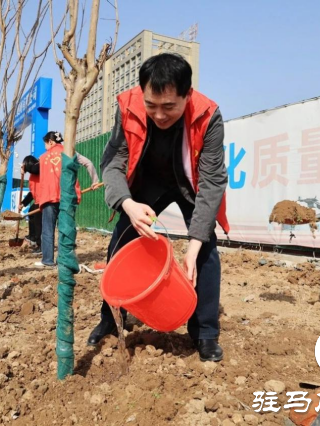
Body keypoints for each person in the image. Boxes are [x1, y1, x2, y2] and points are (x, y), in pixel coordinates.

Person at [88, 53, 229, 362]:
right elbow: (112, 164)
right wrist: (127, 204)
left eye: (169, 107)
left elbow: (212, 181)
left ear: (187, 95)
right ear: (142, 93)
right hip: (145, 184)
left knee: (205, 249)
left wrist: (193, 245)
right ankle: (111, 319)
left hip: (188, 183)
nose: (159, 115)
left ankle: (205, 332)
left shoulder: (208, 115)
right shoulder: (128, 107)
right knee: (122, 241)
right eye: (151, 105)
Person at [34, 131, 100, 267]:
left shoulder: (42, 158)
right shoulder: (70, 153)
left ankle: (47, 260)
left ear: (51, 142)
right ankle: (64, 258)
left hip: (49, 198)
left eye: (45, 144)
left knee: (47, 230)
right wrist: (95, 181)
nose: (45, 147)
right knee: (67, 227)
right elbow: (88, 163)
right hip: (67, 197)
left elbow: (35, 176)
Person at [20, 155, 42, 253]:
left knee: (38, 223)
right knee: (31, 212)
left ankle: (40, 244)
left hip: (45, 200)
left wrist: (25, 168)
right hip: (38, 200)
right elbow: (32, 192)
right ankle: (33, 237)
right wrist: (23, 203)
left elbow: (36, 169)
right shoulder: (32, 176)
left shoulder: (40, 168)